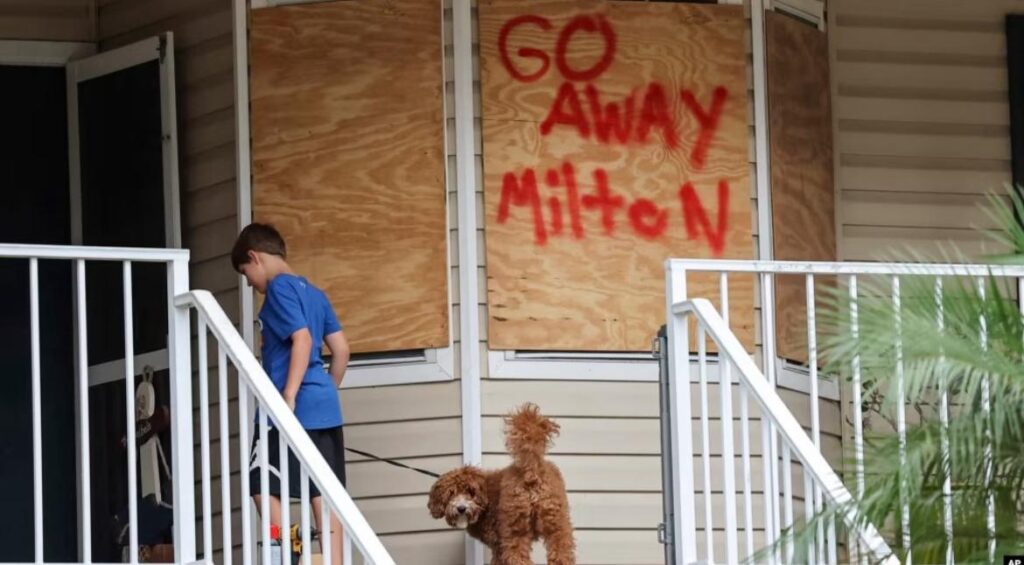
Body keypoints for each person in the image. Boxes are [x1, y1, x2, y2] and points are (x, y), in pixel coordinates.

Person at [231, 223, 350, 565]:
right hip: (324, 407)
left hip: (287, 409)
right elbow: (341, 351)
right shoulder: (315, 293)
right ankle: (332, 561)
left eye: (245, 273)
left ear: (254, 257)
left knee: (260, 484)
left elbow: (303, 339)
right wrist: (326, 392)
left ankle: (291, 550)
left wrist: (290, 397)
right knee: (324, 494)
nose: (250, 283)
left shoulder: (279, 289)